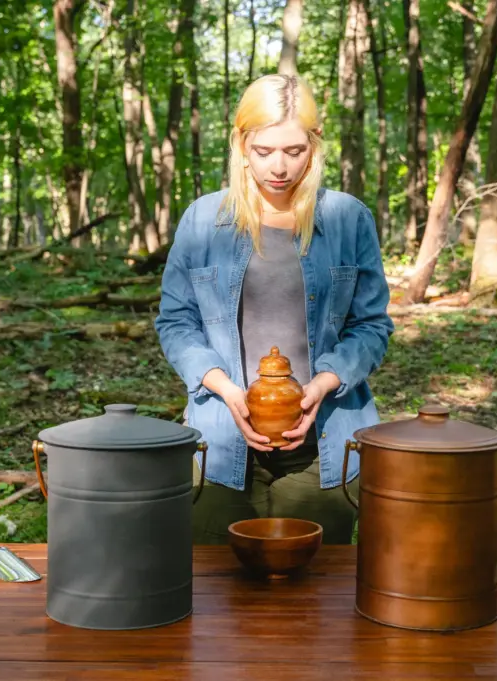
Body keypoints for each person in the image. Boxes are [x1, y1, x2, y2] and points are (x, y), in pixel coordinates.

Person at [154, 74, 394, 545]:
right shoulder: (203, 220)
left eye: (294, 151)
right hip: (220, 442)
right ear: (241, 144)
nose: (279, 167)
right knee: (217, 595)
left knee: (315, 599)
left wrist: (326, 382)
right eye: (264, 151)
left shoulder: (348, 218)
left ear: (315, 146)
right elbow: (176, 321)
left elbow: (371, 326)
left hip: (326, 447)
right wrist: (223, 388)